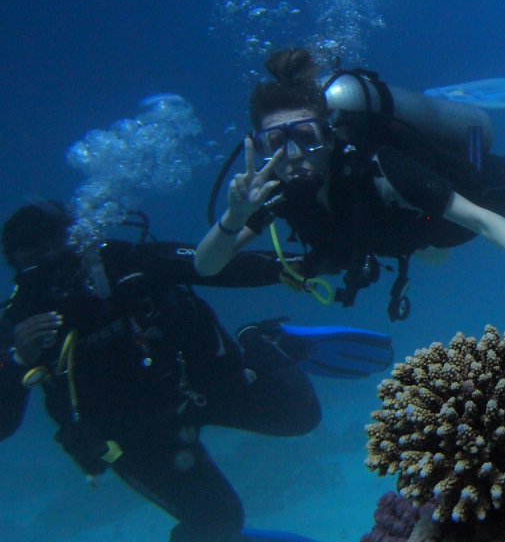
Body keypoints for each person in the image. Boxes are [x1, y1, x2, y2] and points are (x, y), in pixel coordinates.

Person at [0, 203, 325, 542]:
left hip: (203, 386)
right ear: (19, 270)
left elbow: (210, 265)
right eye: (37, 263)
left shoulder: (128, 263)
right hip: (136, 438)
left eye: (61, 251)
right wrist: (19, 359)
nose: (55, 270)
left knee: (302, 416)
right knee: (219, 522)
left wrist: (299, 265)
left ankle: (259, 341)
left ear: (81, 241)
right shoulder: (17, 324)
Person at [193, 46, 505, 314]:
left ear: (330, 133)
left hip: (460, 186)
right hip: (420, 230)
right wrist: (234, 217)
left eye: (307, 136)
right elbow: (206, 266)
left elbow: (481, 220)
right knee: (434, 255)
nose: (294, 156)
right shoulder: (269, 194)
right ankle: (448, 114)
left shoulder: (383, 167)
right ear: (257, 146)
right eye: (276, 142)